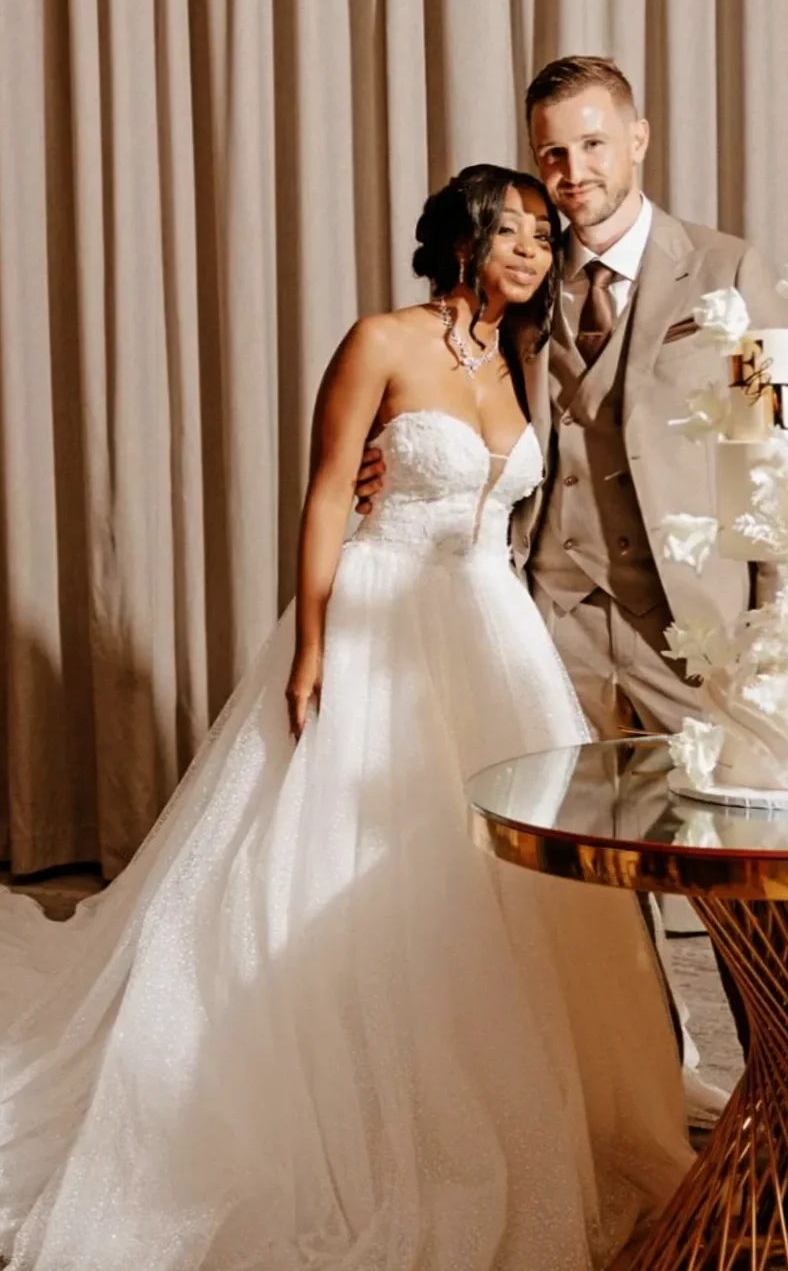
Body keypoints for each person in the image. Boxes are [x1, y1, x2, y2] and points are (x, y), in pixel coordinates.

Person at [0, 164, 693, 1271]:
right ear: (461, 235)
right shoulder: (379, 338)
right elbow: (328, 493)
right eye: (509, 229)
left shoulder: (524, 359)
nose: (530, 249)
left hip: (486, 630)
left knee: (504, 878)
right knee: (340, 864)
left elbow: (525, 503)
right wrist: (314, 641)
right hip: (375, 615)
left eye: (540, 236)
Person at [355, 57, 788, 1084]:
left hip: (691, 633)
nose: (572, 168)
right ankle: (637, 1092)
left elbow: (786, 454)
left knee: (733, 882)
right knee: (578, 894)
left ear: (636, 139)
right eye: (551, 149)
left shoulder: (731, 270)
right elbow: (439, 377)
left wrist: (773, 624)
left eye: (593, 143)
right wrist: (393, 444)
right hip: (540, 620)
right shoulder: (516, 273)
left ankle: (781, 1103)